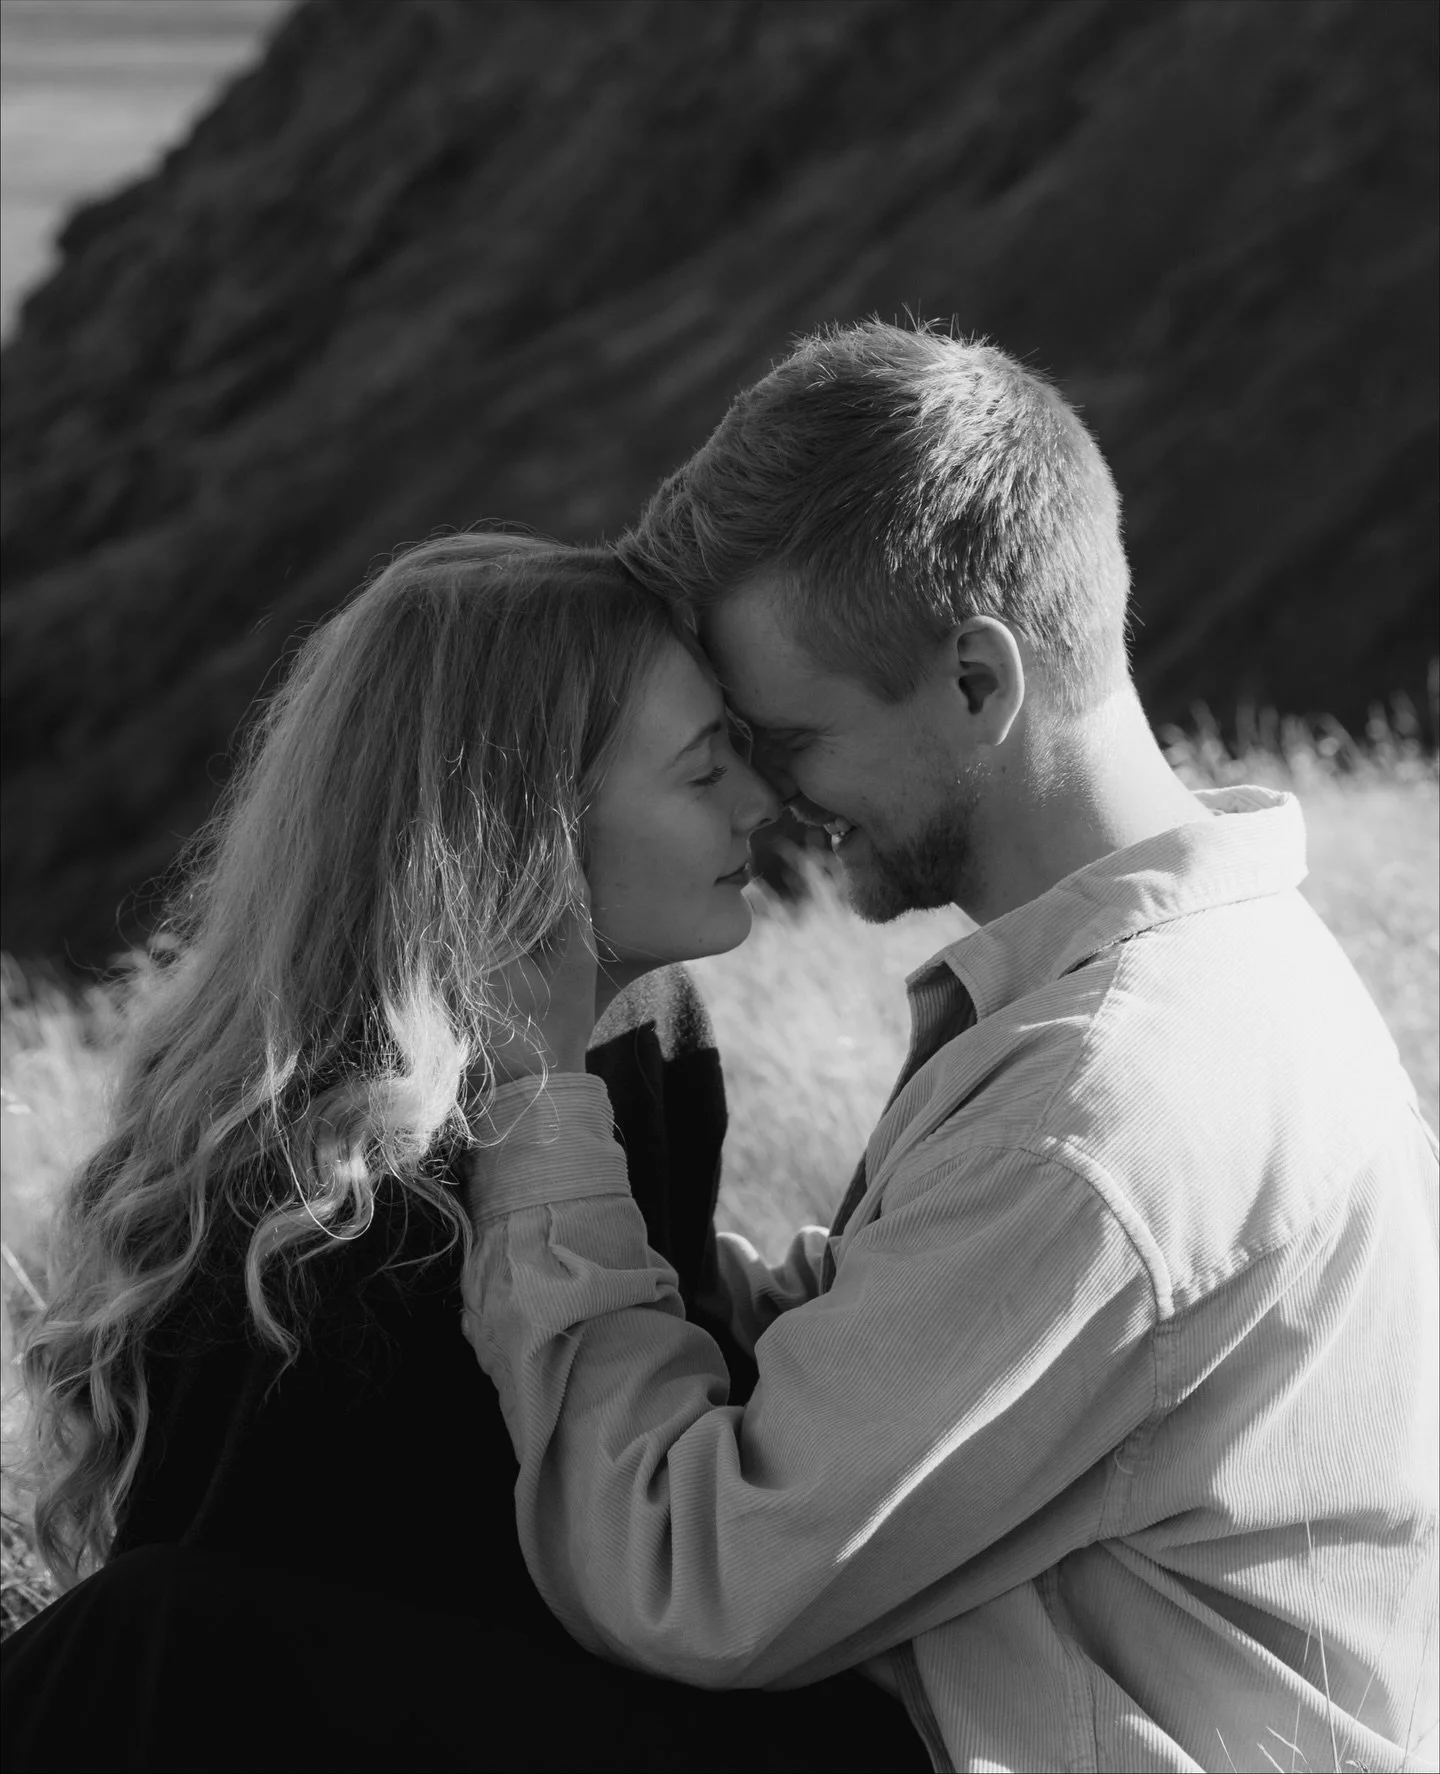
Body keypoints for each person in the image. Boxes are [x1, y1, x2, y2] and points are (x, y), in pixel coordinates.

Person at [455, 324, 1440, 1772]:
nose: (776, 800)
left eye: (790, 738)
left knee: (177, 1655)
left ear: (978, 683)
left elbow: (690, 1572)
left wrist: (541, 1101)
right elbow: (903, 1333)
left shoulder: (1104, 1106)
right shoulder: (1187, 976)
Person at [1, 531, 932, 1773]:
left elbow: (673, 1370)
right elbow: (251, 1636)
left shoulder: (650, 1032)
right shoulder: (333, 1159)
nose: (763, 806)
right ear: (529, 826)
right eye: (707, 771)